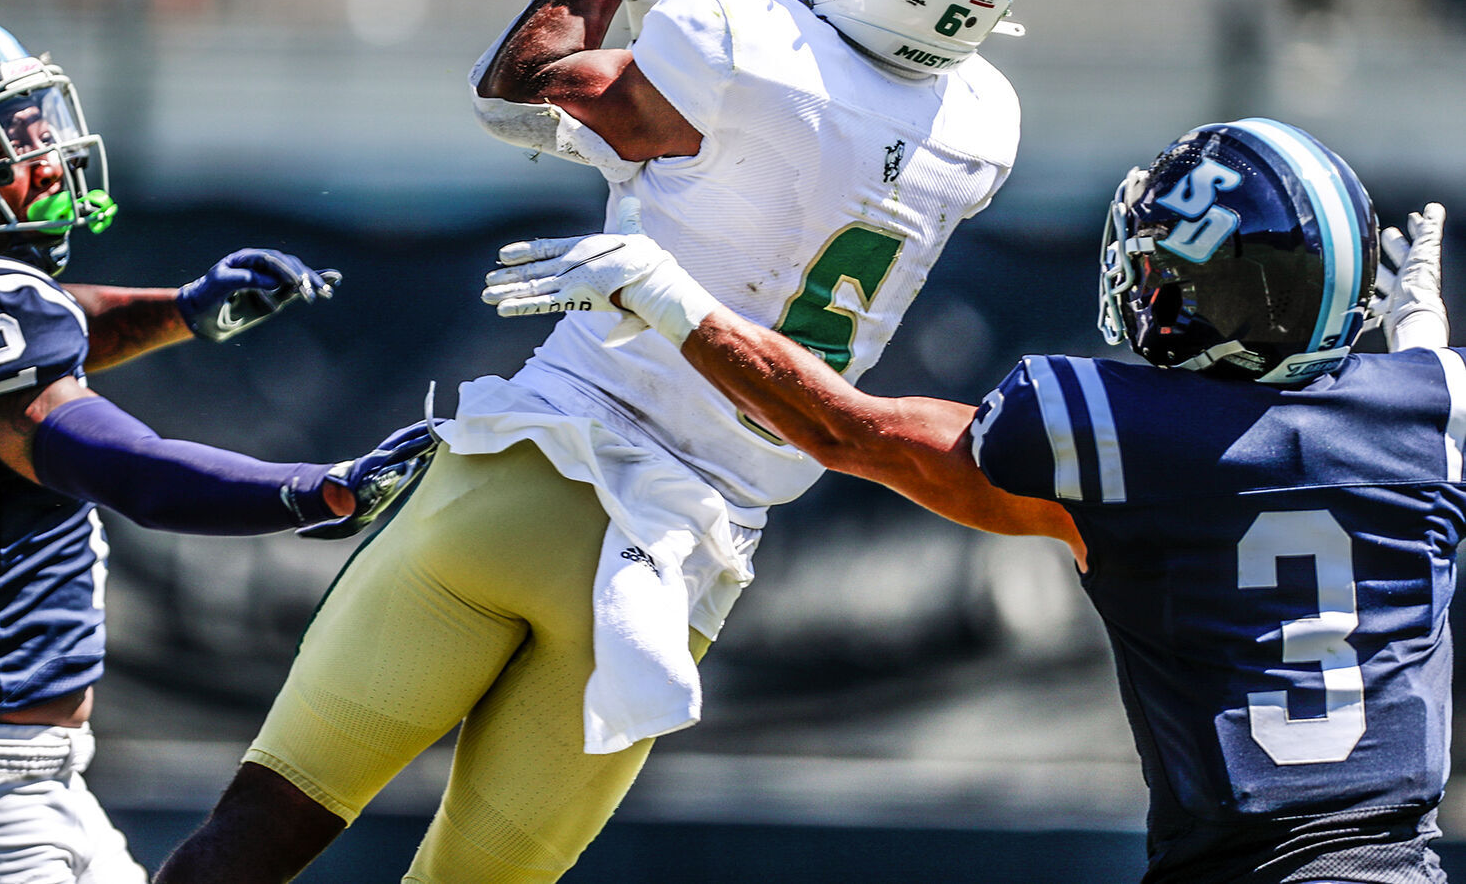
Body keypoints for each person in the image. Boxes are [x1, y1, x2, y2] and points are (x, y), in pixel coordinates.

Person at [157, 0, 1034, 884]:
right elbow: (753, 146)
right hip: (681, 564)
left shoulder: (733, 34)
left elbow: (517, 90)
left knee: (253, 838)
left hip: (528, 484)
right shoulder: (977, 124)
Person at [483, 117, 1458, 884]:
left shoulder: (1125, 439)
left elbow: (844, 430)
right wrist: (1422, 349)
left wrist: (678, 306)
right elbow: (1370, 425)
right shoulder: (1431, 413)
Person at [0, 11, 433, 884]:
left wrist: (181, 310)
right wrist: (321, 489)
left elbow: (59, 318)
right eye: (5, 132)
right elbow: (123, 468)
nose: (45, 152)